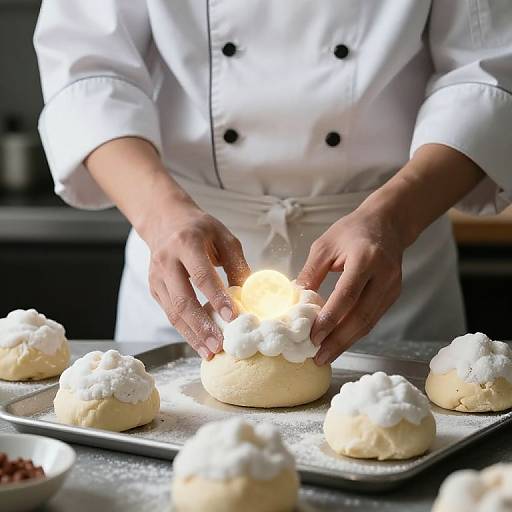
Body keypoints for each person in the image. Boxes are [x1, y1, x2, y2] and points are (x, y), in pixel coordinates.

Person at [34, 1, 512, 365]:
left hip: (389, 264)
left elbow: (485, 74)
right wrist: (161, 216)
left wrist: (393, 219)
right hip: (183, 261)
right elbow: (88, 68)